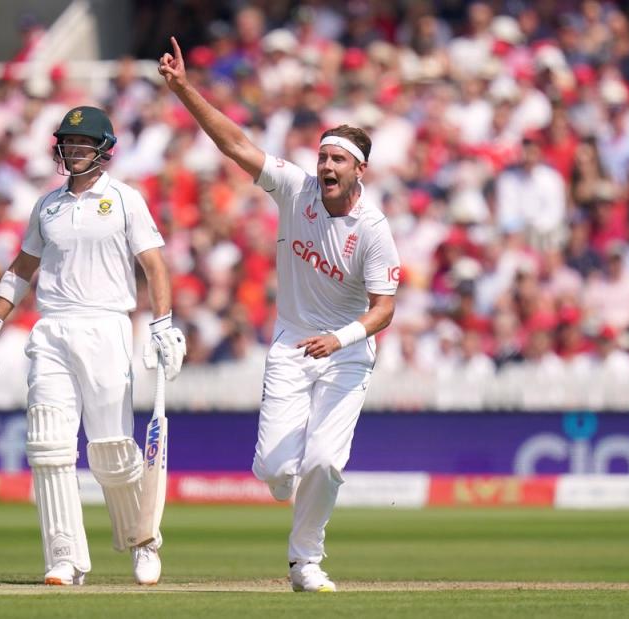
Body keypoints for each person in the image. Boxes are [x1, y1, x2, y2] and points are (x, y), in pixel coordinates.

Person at [159, 37, 400, 593]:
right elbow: (235, 144)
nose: (325, 166)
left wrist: (338, 340)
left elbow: (384, 310)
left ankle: (305, 562)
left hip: (346, 354)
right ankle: (281, 488)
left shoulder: (374, 230)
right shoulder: (297, 188)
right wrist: (185, 90)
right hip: (292, 344)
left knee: (324, 461)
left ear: (360, 169)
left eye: (337, 159)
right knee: (273, 469)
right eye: (322, 156)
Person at [0, 105, 186, 586]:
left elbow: (154, 265)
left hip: (106, 326)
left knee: (110, 450)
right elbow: (22, 268)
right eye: (68, 143)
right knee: (48, 445)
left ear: (104, 149)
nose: (74, 150)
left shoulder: (126, 200)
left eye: (83, 143)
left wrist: (163, 324)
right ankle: (64, 557)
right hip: (52, 330)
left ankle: (142, 541)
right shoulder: (47, 205)